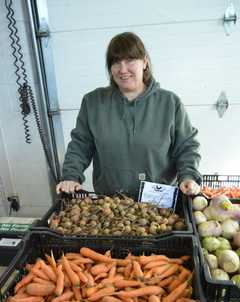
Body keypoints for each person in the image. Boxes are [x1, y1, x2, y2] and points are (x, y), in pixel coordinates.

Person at [56, 32, 201, 199]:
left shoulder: (170, 103)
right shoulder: (93, 102)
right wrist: (70, 176)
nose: (123, 69)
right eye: (116, 62)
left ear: (144, 62)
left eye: (130, 60)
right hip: (110, 205)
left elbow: (186, 146)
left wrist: (188, 176)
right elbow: (80, 145)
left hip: (160, 206)